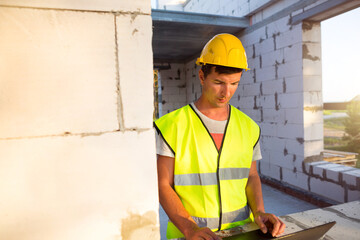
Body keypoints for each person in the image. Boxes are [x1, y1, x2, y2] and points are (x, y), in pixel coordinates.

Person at [154, 33, 285, 240]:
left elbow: (251, 176)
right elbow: (163, 185)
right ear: (201, 76)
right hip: (190, 235)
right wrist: (190, 228)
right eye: (219, 82)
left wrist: (259, 212)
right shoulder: (172, 126)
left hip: (240, 233)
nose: (226, 92)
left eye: (234, 83)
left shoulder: (249, 127)